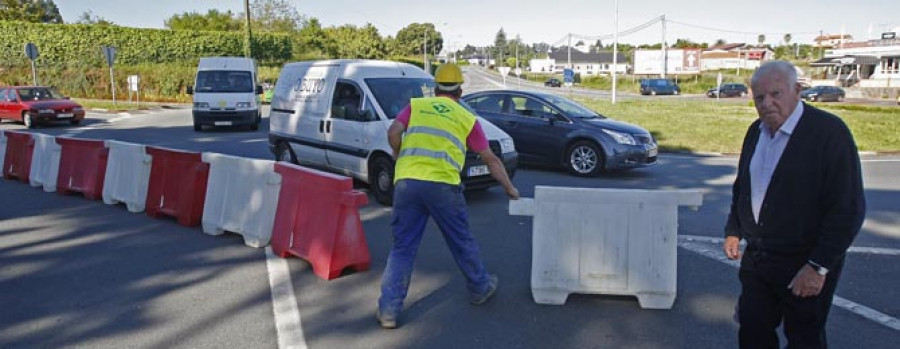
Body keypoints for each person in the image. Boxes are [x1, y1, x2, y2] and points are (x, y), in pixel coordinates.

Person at [722, 60, 866, 348]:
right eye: (759, 98)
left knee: (804, 338)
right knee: (752, 330)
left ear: (797, 90)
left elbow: (847, 208)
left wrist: (818, 266)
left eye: (776, 94)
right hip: (759, 259)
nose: (767, 103)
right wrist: (734, 228)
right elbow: (744, 186)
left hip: (804, 262)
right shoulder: (756, 131)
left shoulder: (828, 133)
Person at [376, 63, 520, 329]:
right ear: (461, 91)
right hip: (442, 186)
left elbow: (393, 132)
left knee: (402, 248)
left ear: (434, 88)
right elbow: (490, 159)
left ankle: (388, 310)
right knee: (460, 240)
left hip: (407, 183)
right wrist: (509, 189)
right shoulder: (466, 118)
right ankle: (480, 287)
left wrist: (399, 155)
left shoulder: (416, 107)